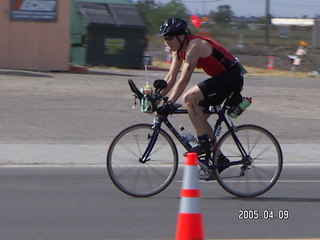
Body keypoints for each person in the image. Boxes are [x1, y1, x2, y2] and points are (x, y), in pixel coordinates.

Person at [157, 17, 245, 178]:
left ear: (181, 36)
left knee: (189, 98)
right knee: (199, 118)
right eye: (165, 38)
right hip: (221, 79)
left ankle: (204, 145)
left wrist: (170, 103)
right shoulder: (178, 51)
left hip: (231, 77)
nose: (167, 42)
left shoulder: (194, 46)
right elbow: (171, 77)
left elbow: (183, 79)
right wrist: (156, 98)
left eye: (169, 38)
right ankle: (220, 159)